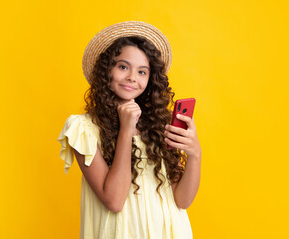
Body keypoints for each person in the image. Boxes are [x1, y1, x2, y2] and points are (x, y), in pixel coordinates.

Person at [57, 21, 201, 239]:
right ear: (107, 70)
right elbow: (114, 200)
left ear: (150, 79)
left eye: (142, 71)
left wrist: (195, 154)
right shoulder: (82, 128)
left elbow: (182, 200)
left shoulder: (159, 127)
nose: (132, 77)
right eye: (123, 67)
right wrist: (126, 130)